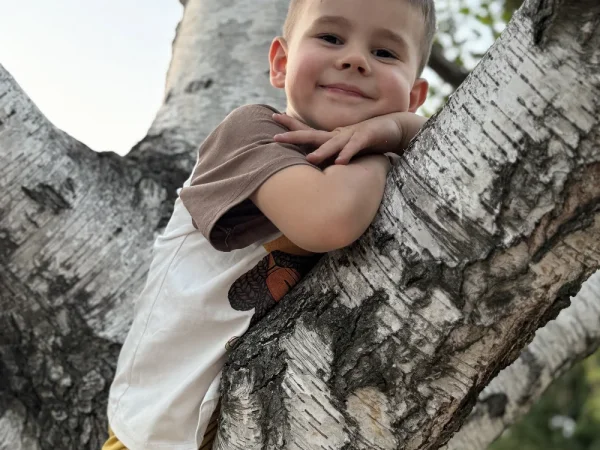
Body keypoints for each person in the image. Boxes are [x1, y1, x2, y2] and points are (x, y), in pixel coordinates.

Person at [103, 0, 435, 448]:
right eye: (331, 37)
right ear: (280, 63)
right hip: (153, 431)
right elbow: (328, 220)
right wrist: (381, 144)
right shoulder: (254, 132)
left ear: (413, 96)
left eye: (385, 52)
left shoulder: (390, 176)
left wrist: (400, 130)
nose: (355, 59)